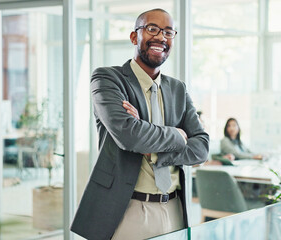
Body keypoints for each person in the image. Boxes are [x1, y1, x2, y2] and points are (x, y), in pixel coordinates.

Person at [71, 9, 209, 240]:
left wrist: (153, 149)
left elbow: (202, 148)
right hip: (128, 209)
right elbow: (130, 136)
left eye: (168, 32)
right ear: (134, 37)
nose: (161, 38)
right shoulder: (107, 79)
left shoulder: (178, 89)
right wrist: (177, 135)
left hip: (175, 209)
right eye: (152, 29)